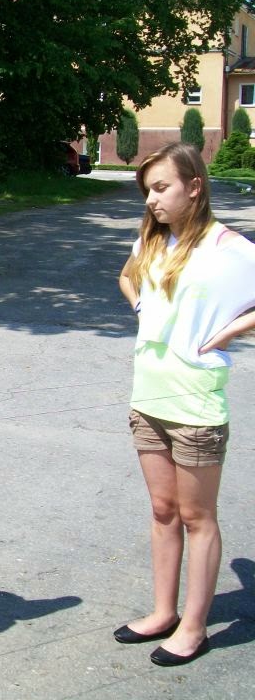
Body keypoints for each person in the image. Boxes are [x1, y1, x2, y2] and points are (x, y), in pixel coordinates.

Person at [116, 142, 255, 667]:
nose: (151, 200)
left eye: (161, 188)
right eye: (147, 190)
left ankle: (194, 626)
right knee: (163, 510)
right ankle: (162, 611)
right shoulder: (154, 240)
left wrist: (228, 333)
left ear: (194, 186)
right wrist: (142, 307)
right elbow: (127, 277)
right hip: (148, 394)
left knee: (198, 517)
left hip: (196, 401)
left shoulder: (229, 249)